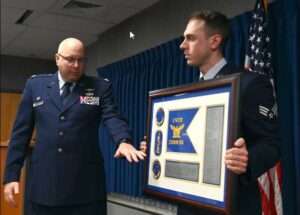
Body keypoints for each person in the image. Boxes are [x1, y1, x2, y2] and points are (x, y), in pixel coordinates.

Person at [3, 37, 146, 215]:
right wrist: (11, 176)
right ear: (57, 58)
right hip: (44, 187)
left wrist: (123, 140)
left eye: (81, 60)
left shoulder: (99, 88)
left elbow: (112, 117)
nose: (77, 65)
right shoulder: (35, 86)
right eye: (71, 59)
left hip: (85, 191)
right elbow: (20, 135)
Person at [177, 10, 280, 215]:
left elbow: (272, 143)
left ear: (214, 41)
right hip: (189, 207)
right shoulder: (186, 93)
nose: (182, 45)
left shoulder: (250, 84)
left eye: (190, 38)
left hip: (233, 206)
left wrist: (247, 159)